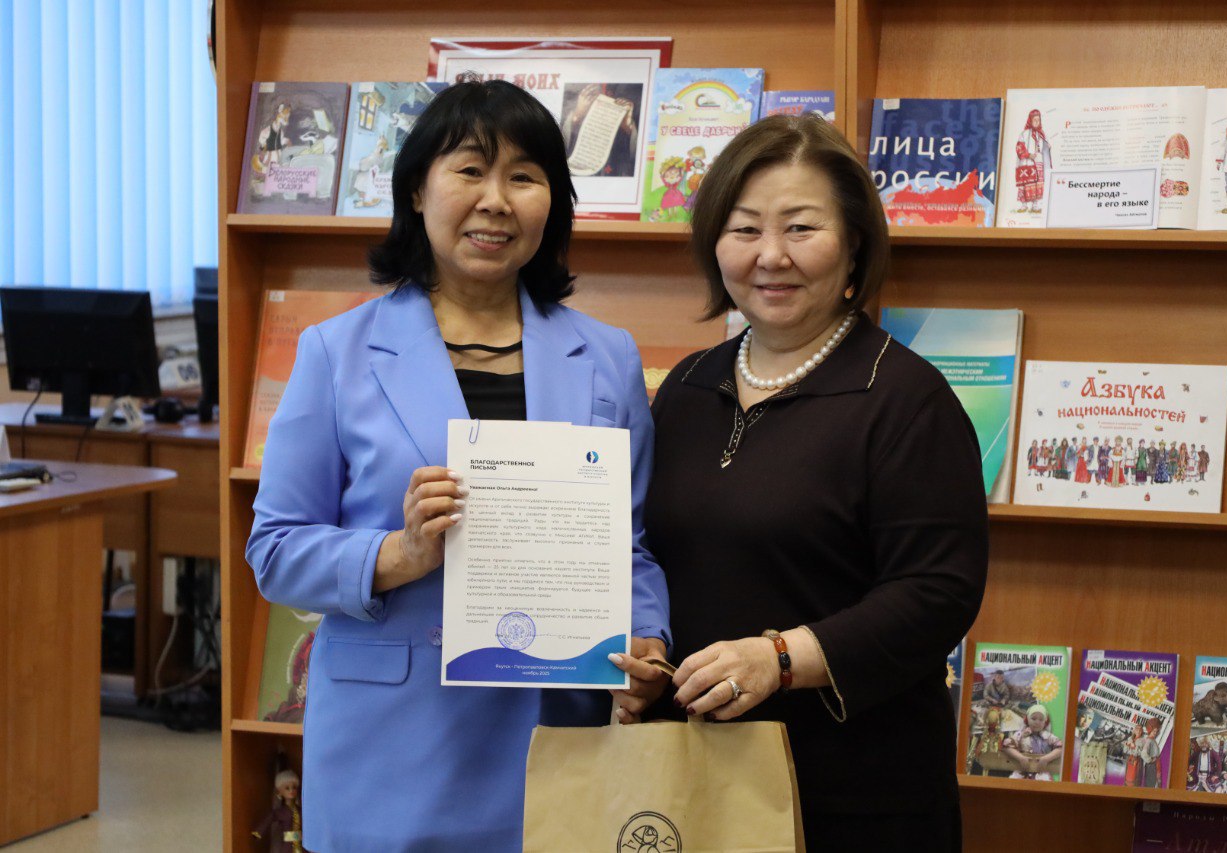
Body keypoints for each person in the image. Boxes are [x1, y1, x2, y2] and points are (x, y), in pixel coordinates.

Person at [246, 79, 671, 852]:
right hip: (393, 741)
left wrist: (646, 638)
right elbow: (275, 551)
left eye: (524, 177)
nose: (496, 201)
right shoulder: (336, 353)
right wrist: (398, 553)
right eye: (470, 170)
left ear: (554, 202)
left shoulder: (608, 357)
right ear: (417, 190)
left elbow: (629, 544)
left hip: (559, 727)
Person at [642, 113, 987, 851]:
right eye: (744, 229)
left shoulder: (906, 398)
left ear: (854, 242)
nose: (771, 256)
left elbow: (937, 592)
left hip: (850, 786)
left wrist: (779, 658)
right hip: (690, 771)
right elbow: (649, 552)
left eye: (801, 228)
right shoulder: (687, 385)